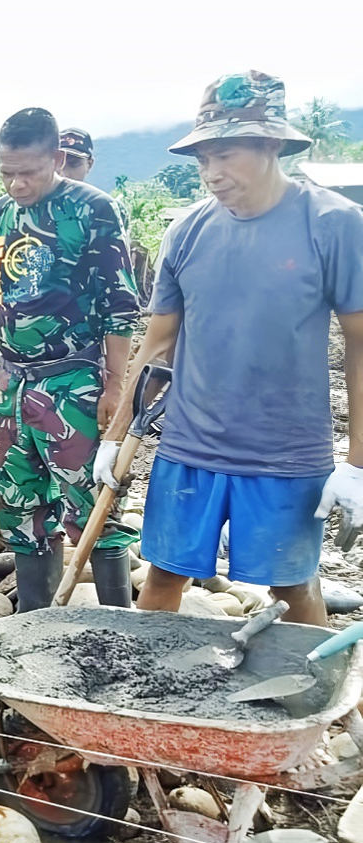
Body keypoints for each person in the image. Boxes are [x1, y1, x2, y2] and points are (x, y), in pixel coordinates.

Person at [99, 70, 363, 625]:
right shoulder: (187, 231)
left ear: (271, 144)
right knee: (165, 574)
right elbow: (158, 343)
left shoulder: (334, 225)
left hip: (286, 453)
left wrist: (357, 463)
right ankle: (147, 698)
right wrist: (115, 436)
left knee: (293, 587)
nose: (212, 175)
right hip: (189, 447)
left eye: (225, 155)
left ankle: (319, 707)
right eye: (202, 160)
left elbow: (361, 345)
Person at [0, 108, 139, 611]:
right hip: (10, 386)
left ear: (57, 159)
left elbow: (120, 304)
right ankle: (35, 629)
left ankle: (117, 631)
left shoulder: (92, 209)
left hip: (73, 381)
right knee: (18, 507)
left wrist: (116, 386)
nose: (17, 184)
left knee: (95, 508)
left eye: (29, 173)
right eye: (6, 173)